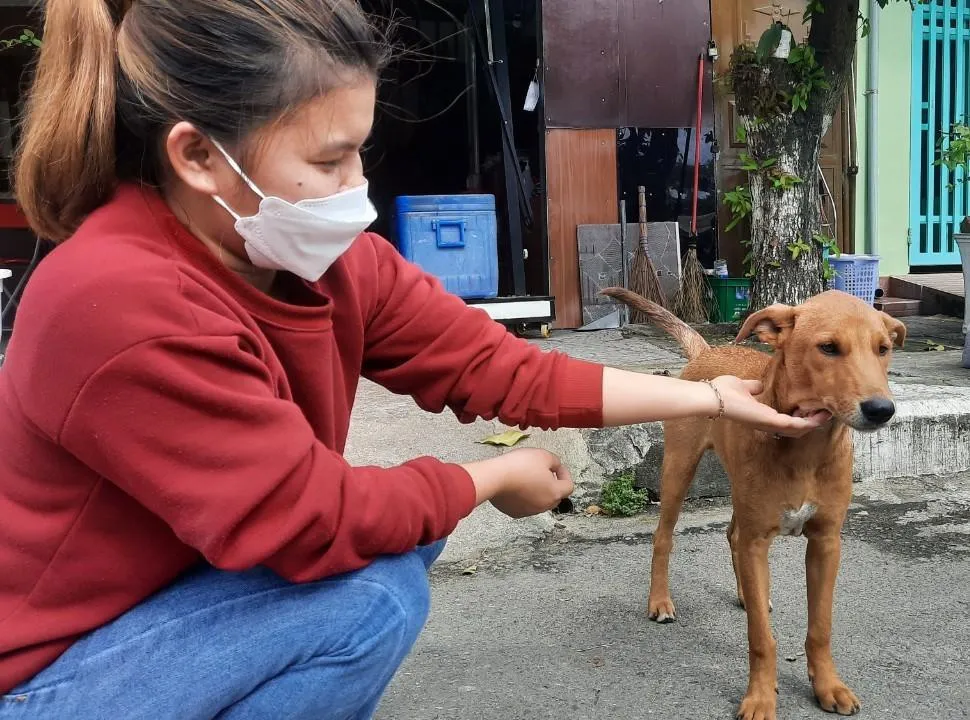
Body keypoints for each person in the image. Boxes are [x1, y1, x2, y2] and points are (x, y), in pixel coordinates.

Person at [0, 1, 827, 718]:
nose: (355, 185)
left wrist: (713, 396)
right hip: (50, 673)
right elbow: (314, 520)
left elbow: (504, 368)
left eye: (361, 151)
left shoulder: (322, 261)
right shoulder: (118, 299)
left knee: (398, 547)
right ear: (197, 156)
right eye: (327, 160)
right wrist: (490, 478)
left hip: (170, 602)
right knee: (368, 597)